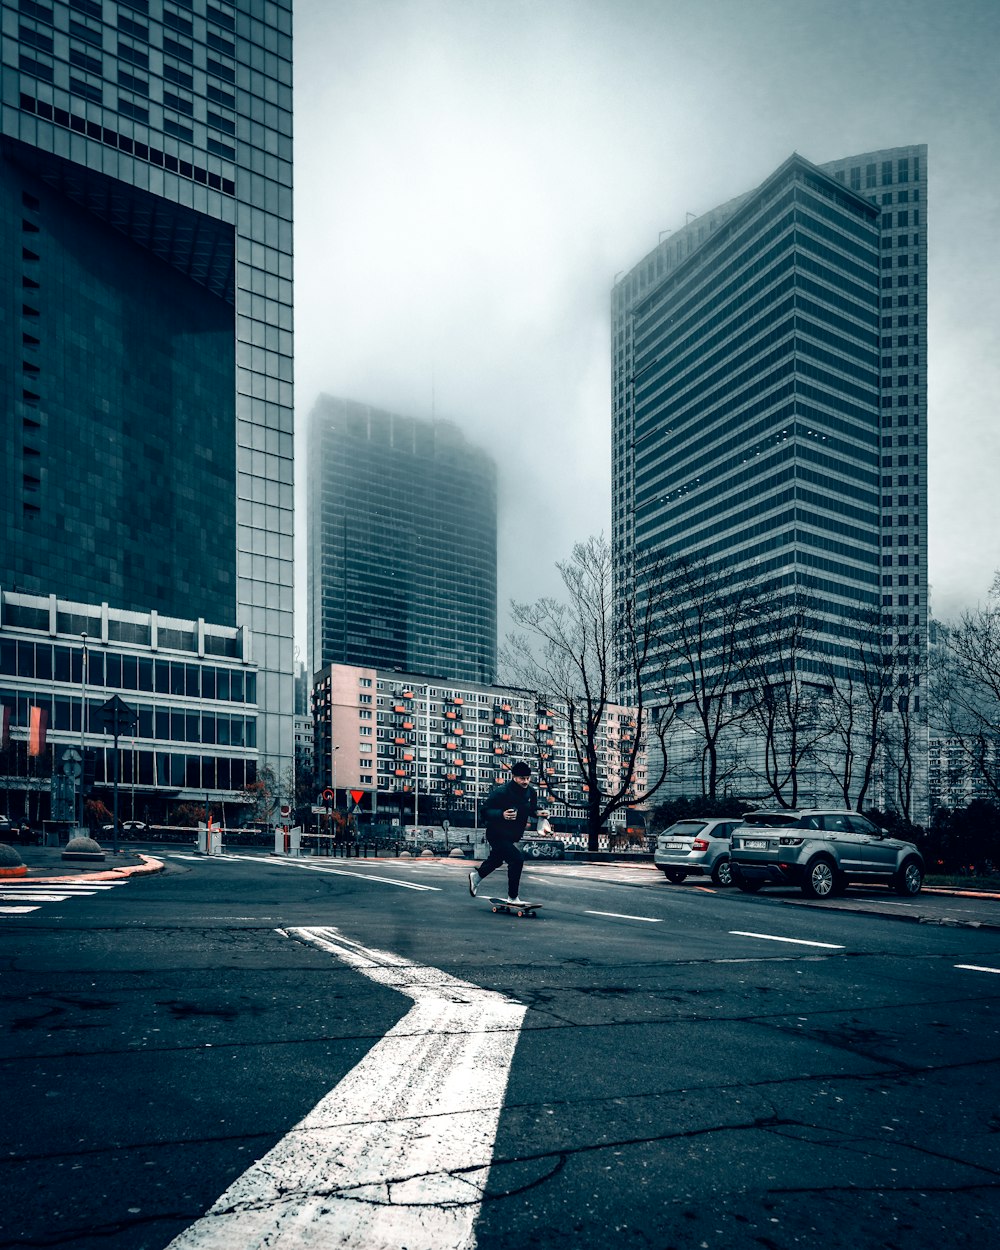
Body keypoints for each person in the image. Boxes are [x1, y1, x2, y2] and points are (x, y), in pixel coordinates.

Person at [468, 760, 537, 904]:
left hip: (512, 834)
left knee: (497, 860)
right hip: (496, 833)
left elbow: (531, 810)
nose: (526, 781)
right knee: (517, 860)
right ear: (514, 777)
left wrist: (541, 813)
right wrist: (501, 814)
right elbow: (484, 811)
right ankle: (513, 897)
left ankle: (476, 877)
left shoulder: (531, 792)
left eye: (528, 778)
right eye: (522, 779)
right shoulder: (502, 792)